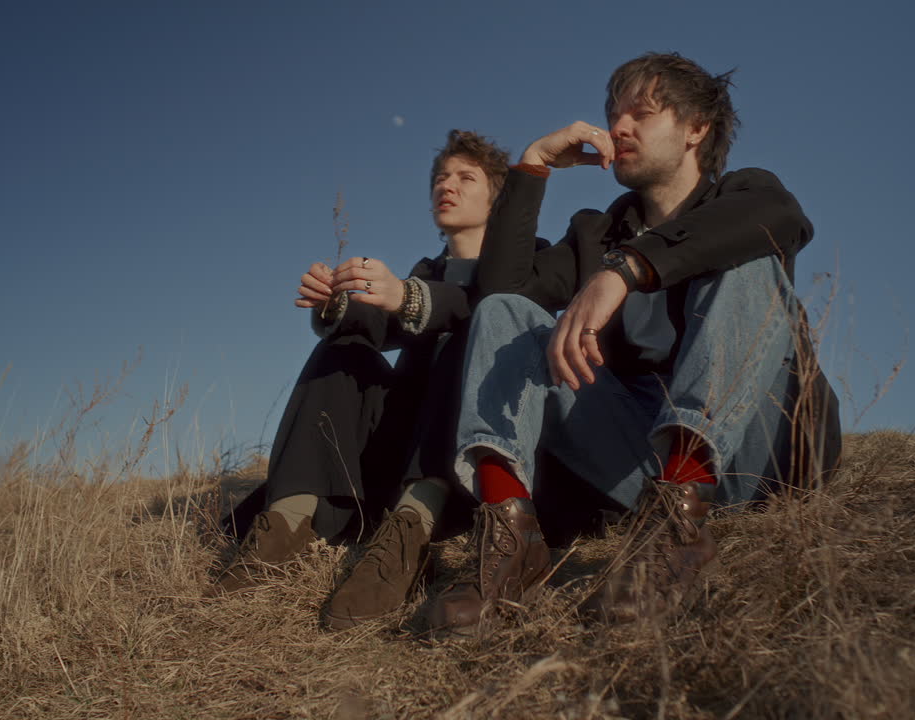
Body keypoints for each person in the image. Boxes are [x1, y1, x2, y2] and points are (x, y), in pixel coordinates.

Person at [426, 52, 842, 636]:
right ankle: (510, 545)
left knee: (748, 260)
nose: (617, 127)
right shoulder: (597, 232)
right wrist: (533, 165)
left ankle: (680, 524)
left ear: (698, 128)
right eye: (612, 114)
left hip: (753, 458)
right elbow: (499, 293)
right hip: (633, 460)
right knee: (504, 313)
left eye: (640, 114)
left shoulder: (749, 196)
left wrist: (625, 271)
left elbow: (778, 217)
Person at [216, 130, 540, 630]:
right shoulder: (427, 269)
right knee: (341, 348)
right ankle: (285, 522)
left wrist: (411, 298)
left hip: (467, 460)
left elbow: (486, 308)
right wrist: (334, 303)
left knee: (466, 332)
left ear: (496, 198)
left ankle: (411, 531)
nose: (445, 186)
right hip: (402, 444)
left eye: (465, 177)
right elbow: (374, 327)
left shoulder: (528, 260)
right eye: (440, 177)